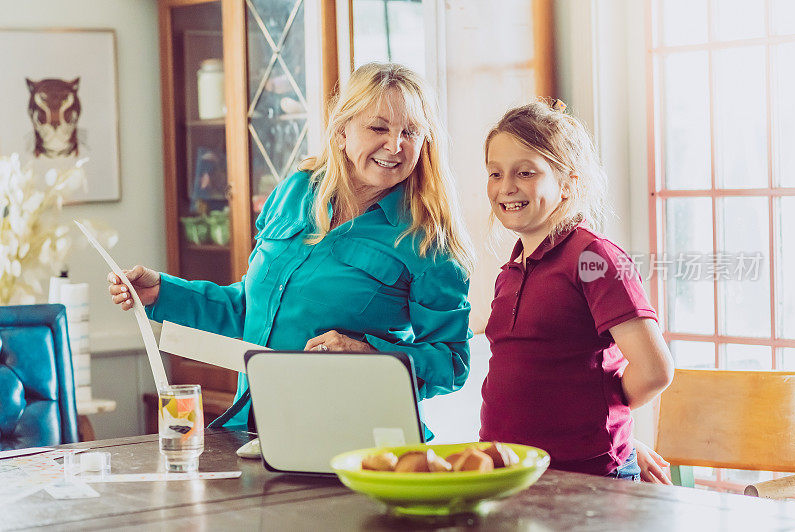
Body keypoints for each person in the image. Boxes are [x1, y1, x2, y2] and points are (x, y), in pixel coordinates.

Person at [108, 63, 475, 435]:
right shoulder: (295, 192)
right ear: (343, 131)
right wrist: (162, 292)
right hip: (257, 425)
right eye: (378, 127)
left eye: (410, 132)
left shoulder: (428, 239)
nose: (395, 145)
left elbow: (453, 362)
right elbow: (252, 310)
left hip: (359, 438)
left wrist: (371, 356)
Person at [478, 99, 674, 481]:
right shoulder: (510, 272)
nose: (507, 187)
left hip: (586, 477)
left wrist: (606, 423)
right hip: (507, 473)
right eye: (495, 173)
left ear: (568, 184)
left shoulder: (594, 258)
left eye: (526, 172)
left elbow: (654, 370)